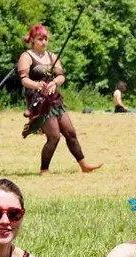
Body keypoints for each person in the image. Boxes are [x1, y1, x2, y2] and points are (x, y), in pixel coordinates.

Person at [17, 24, 102, 175]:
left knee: (70, 132)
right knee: (54, 136)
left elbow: (61, 76)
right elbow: (24, 79)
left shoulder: (52, 56)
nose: (43, 42)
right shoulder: (27, 56)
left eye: (45, 39)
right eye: (40, 39)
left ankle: (84, 165)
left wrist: (55, 82)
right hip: (39, 102)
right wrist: (37, 84)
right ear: (32, 40)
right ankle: (44, 169)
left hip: (54, 100)